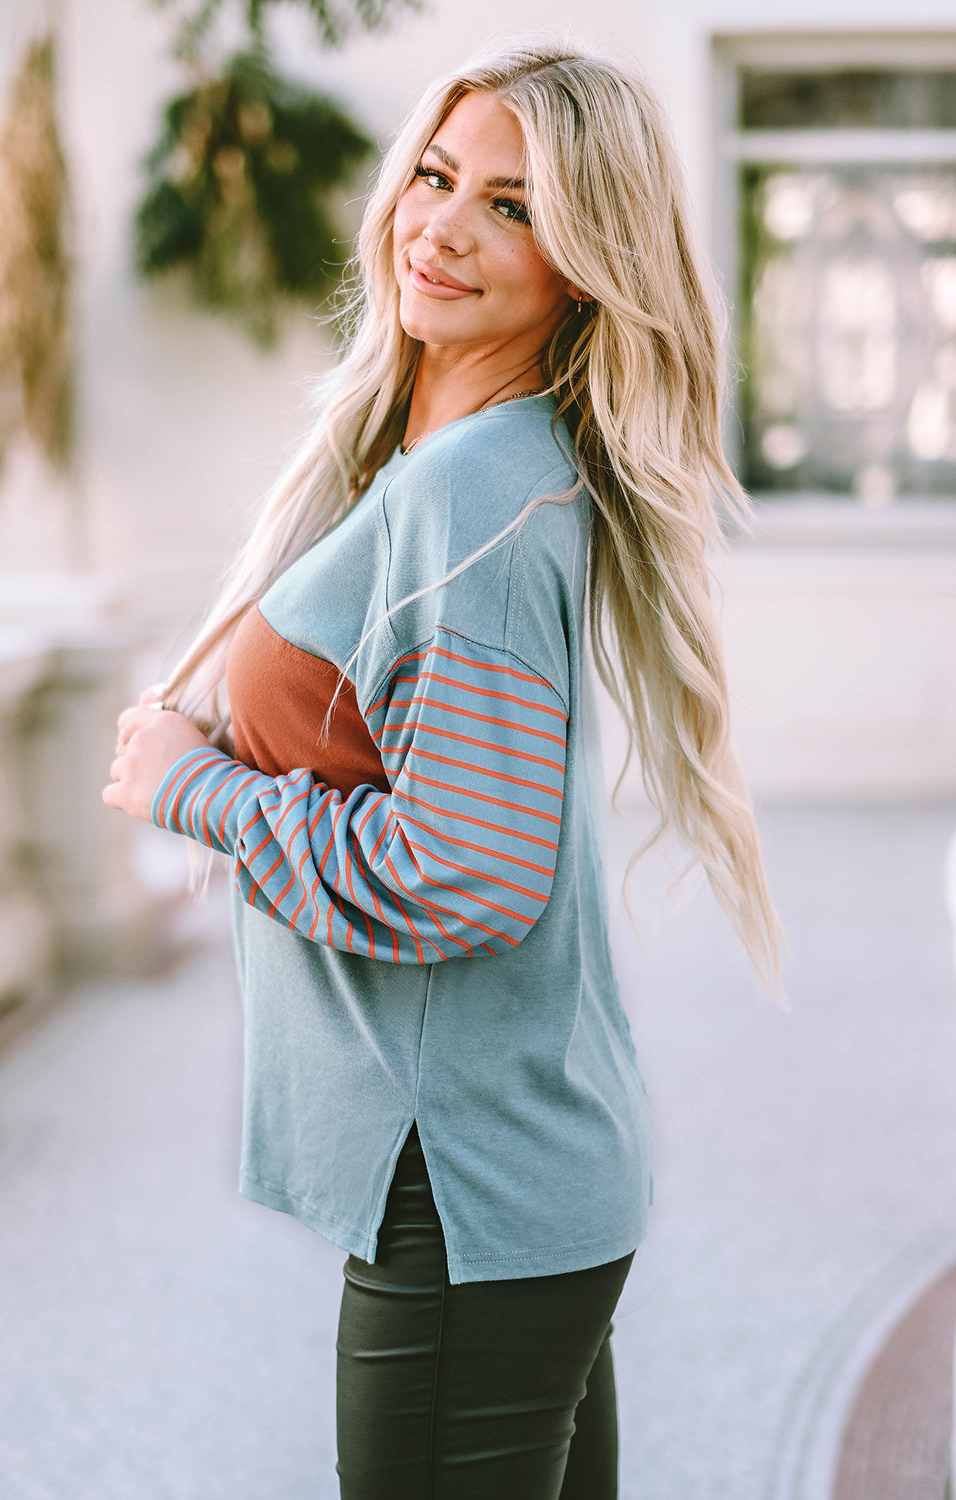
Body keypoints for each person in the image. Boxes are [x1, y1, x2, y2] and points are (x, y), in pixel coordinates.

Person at [103, 35, 781, 1499]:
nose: (443, 226)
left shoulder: (481, 492)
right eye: (434, 175)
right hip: (501, 1179)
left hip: (463, 1191)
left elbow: (460, 873)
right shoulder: (439, 462)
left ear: (588, 261)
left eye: (512, 207)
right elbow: (391, 742)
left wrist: (192, 788)